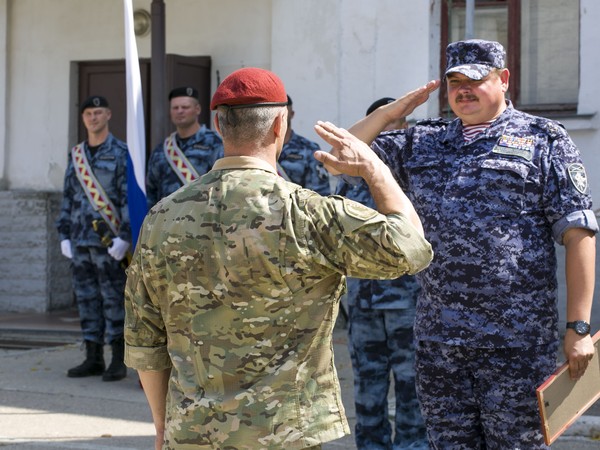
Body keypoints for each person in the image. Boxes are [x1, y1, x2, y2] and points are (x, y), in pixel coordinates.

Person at [124, 67, 435, 450]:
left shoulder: (160, 218)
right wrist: (374, 168)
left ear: (219, 127)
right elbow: (410, 245)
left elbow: (144, 341)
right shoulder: (308, 214)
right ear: (279, 126)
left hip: (192, 432)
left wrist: (161, 423)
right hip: (287, 434)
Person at [325, 39, 598, 448]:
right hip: (441, 345)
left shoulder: (544, 140)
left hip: (515, 344)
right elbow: (340, 155)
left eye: (475, 79)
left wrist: (577, 326)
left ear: (503, 80)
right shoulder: (424, 141)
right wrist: (390, 112)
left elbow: (579, 233)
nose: (463, 90)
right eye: (454, 81)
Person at [336, 97, 426, 449]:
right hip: (364, 303)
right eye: (383, 124)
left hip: (410, 302)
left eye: (398, 124)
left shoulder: (419, 172)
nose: (392, 131)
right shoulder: (352, 176)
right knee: (368, 392)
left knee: (412, 391)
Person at [56, 95, 131, 382]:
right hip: (79, 240)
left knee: (113, 300)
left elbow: (127, 198)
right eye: (88, 113)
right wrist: (63, 233)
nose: (93, 118)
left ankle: (117, 360)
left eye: (98, 112)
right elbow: (69, 196)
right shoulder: (76, 155)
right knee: (86, 300)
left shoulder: (121, 152)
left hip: (109, 243)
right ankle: (92, 356)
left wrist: (125, 236)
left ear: (109, 114)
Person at [145, 86, 224, 208]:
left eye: (185, 107)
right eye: (175, 108)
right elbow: (151, 190)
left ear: (197, 109)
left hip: (202, 221)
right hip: (166, 222)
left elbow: (223, 185)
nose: (179, 111)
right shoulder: (161, 150)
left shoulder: (215, 144)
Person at [278, 95, 331, 195]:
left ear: (292, 114)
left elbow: (319, 193)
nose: (281, 117)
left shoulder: (309, 149)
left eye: (284, 113)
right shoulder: (260, 147)